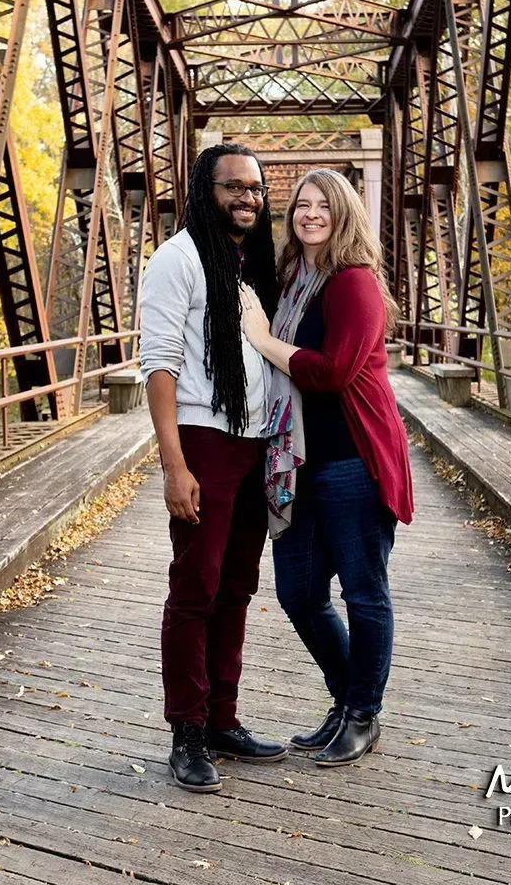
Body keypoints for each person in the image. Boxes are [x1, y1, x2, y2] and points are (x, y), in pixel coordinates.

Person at [238, 168, 414, 767]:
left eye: (324, 206)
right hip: (298, 463)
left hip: (351, 461)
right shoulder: (295, 279)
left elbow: (334, 372)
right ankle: (348, 700)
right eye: (301, 206)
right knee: (299, 592)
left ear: (344, 214)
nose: (310, 214)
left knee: (365, 593)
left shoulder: (353, 283)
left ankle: (362, 714)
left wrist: (264, 341)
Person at [137, 143, 288, 793]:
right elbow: (160, 365)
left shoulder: (251, 264)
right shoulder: (178, 260)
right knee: (195, 587)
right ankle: (187, 733)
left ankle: (223, 719)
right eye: (233, 187)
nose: (246, 198)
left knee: (237, 588)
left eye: (254, 188)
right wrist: (174, 465)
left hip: (255, 444)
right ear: (205, 190)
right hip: (205, 440)